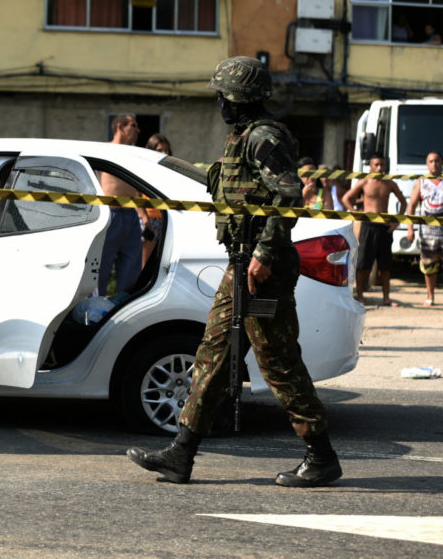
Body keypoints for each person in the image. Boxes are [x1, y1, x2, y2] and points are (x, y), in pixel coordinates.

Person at [127, 56, 342, 488]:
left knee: (277, 361)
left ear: (238, 98)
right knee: (213, 353)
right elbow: (229, 184)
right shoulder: (240, 139)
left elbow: (287, 196)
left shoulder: (264, 136)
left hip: (266, 265)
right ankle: (180, 453)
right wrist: (169, 168)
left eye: (223, 95)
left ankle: (321, 456)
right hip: (240, 262)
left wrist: (263, 253)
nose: (219, 103)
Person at [341, 155, 407, 306]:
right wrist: (357, 215)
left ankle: (386, 298)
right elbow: (346, 198)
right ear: (370, 166)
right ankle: (361, 296)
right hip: (368, 226)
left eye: (382, 165)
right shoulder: (364, 181)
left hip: (384, 227)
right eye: (376, 165)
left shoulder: (389, 183)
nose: (380, 168)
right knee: (363, 264)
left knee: (385, 266)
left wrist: (396, 222)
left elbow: (403, 202)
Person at [97, 115, 143, 295]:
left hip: (131, 216)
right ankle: (95, 308)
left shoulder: (135, 154)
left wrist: (143, 218)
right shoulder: (104, 151)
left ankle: (125, 307)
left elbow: (137, 191)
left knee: (131, 270)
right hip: (110, 214)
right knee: (101, 267)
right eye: (133, 125)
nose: (138, 130)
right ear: (119, 127)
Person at [405, 151, 443, 306]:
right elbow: (411, 206)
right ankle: (430, 296)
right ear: (427, 164)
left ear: (441, 163)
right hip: (427, 234)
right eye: (431, 161)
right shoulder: (421, 182)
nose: (434, 164)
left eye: (437, 161)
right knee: (429, 266)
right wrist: (410, 229)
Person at [140, 134, 172, 265]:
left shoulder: (168, 169)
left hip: (165, 218)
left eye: (166, 150)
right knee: (144, 262)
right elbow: (136, 194)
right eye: (159, 150)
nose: (164, 153)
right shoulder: (144, 168)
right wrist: (145, 218)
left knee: (159, 263)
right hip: (150, 218)